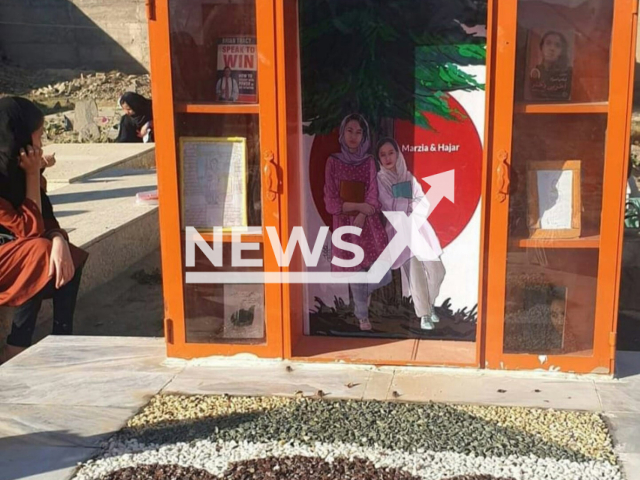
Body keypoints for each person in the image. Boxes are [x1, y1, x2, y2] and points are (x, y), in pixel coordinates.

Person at [0, 97, 88, 363]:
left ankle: (63, 338)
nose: (41, 145)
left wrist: (59, 240)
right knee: (38, 253)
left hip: (12, 252)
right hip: (13, 253)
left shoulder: (17, 169)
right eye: (37, 137)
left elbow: (45, 221)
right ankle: (16, 346)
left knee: (66, 255)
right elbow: (28, 229)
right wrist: (32, 176)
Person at [323, 114, 391, 331]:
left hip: (369, 225)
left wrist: (363, 213)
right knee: (355, 271)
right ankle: (362, 316)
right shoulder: (333, 162)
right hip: (345, 224)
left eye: (358, 132)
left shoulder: (369, 161)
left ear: (364, 136)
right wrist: (358, 208)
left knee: (385, 272)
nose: (353, 136)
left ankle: (363, 292)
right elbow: (331, 201)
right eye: (349, 131)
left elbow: (373, 193)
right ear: (342, 133)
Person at [376, 137, 445, 330]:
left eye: (391, 153)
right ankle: (424, 315)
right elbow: (389, 206)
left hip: (419, 228)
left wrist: (406, 203)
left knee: (438, 272)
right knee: (416, 275)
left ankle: (429, 305)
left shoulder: (408, 176)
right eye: (383, 155)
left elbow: (424, 201)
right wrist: (408, 203)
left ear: (397, 154)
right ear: (379, 159)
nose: (388, 158)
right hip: (400, 233)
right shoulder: (380, 180)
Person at [529, 31, 572, 100]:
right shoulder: (532, 73)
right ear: (541, 48)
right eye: (548, 43)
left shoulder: (569, 74)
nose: (552, 49)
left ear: (562, 51)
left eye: (557, 45)